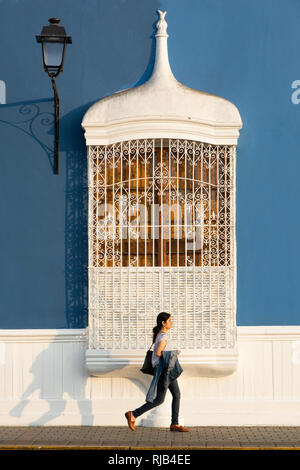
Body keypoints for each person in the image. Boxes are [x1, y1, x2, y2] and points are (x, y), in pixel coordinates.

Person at [125, 312, 189, 432]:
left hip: (163, 369)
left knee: (175, 395)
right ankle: (133, 414)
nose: (171, 322)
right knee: (161, 399)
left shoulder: (159, 334)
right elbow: (159, 353)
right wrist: (175, 352)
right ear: (163, 323)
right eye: (169, 320)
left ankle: (174, 423)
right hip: (164, 370)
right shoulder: (163, 336)